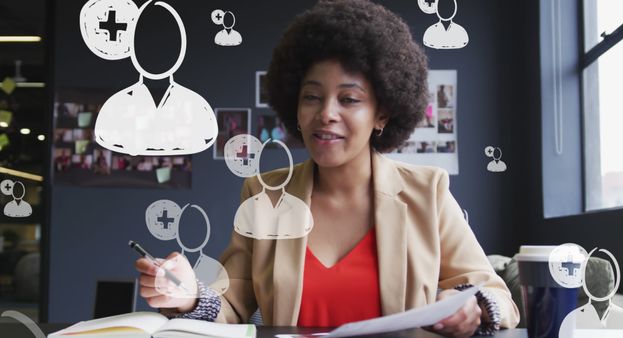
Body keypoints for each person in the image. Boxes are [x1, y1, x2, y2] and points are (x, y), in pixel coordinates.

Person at [135, 1, 519, 337]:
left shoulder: (427, 192)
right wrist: (189, 297)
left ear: (382, 113)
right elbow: (232, 301)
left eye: (349, 99)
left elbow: (499, 297)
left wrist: (473, 308)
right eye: (312, 97)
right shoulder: (264, 195)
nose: (326, 114)